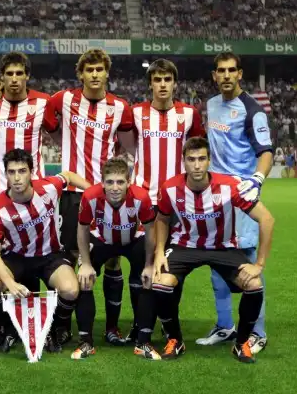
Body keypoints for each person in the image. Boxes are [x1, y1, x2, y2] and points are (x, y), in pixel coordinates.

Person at [42, 48, 136, 345]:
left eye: (99, 69)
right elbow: (40, 107)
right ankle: (62, 325)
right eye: (89, 69)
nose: (95, 74)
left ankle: (111, 327)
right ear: (80, 74)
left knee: (113, 260)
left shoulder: (120, 107)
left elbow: (129, 146)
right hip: (73, 195)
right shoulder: (64, 99)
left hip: (109, 197)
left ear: (107, 73)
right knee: (70, 259)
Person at [152, 137, 274, 363]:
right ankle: (175, 340)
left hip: (222, 247)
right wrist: (159, 251)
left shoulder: (230, 186)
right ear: (183, 161)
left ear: (209, 160)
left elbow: (266, 219)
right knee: (160, 283)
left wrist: (259, 264)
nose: (197, 165)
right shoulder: (169, 188)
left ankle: (241, 344)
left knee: (254, 284)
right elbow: (162, 218)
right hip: (184, 245)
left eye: (201, 159)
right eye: (191, 160)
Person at [0, 52, 56, 348]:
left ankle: (35, 321)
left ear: (27, 76)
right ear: (1, 77)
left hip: (33, 195)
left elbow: (59, 131)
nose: (15, 79)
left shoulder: (43, 103)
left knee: (33, 254)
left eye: (20, 73)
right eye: (9, 74)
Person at [125, 58, 205, 342]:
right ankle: (139, 322)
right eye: (157, 79)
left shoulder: (189, 114)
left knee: (172, 265)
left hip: (176, 205)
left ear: (175, 83)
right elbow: (126, 143)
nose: (162, 84)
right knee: (140, 264)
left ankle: (168, 320)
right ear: (150, 84)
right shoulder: (135, 113)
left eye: (167, 79)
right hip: (143, 202)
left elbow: (197, 150)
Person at [198, 52, 273, 353]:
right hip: (215, 198)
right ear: (214, 75)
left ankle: (258, 333)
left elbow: (265, 151)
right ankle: (225, 325)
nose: (226, 75)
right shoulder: (212, 105)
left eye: (232, 70)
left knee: (249, 266)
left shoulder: (252, 110)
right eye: (221, 70)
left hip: (241, 196)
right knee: (216, 264)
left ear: (240, 73)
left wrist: (256, 179)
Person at [0, 149, 90, 353]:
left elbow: (68, 176)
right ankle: (0, 327)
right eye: (12, 172)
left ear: (31, 172)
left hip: (49, 255)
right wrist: (10, 283)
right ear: (6, 174)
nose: (17, 177)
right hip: (16, 257)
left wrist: (94, 191)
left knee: (70, 290)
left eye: (22, 171)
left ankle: (57, 326)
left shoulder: (48, 188)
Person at [73, 158, 159, 360]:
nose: (115, 187)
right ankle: (86, 342)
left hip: (133, 240)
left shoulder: (141, 197)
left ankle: (143, 341)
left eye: (120, 182)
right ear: (102, 183)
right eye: (110, 182)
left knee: (147, 279)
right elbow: (82, 229)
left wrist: (149, 264)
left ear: (129, 182)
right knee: (84, 280)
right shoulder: (90, 196)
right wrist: (85, 263)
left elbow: (150, 231)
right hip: (102, 239)